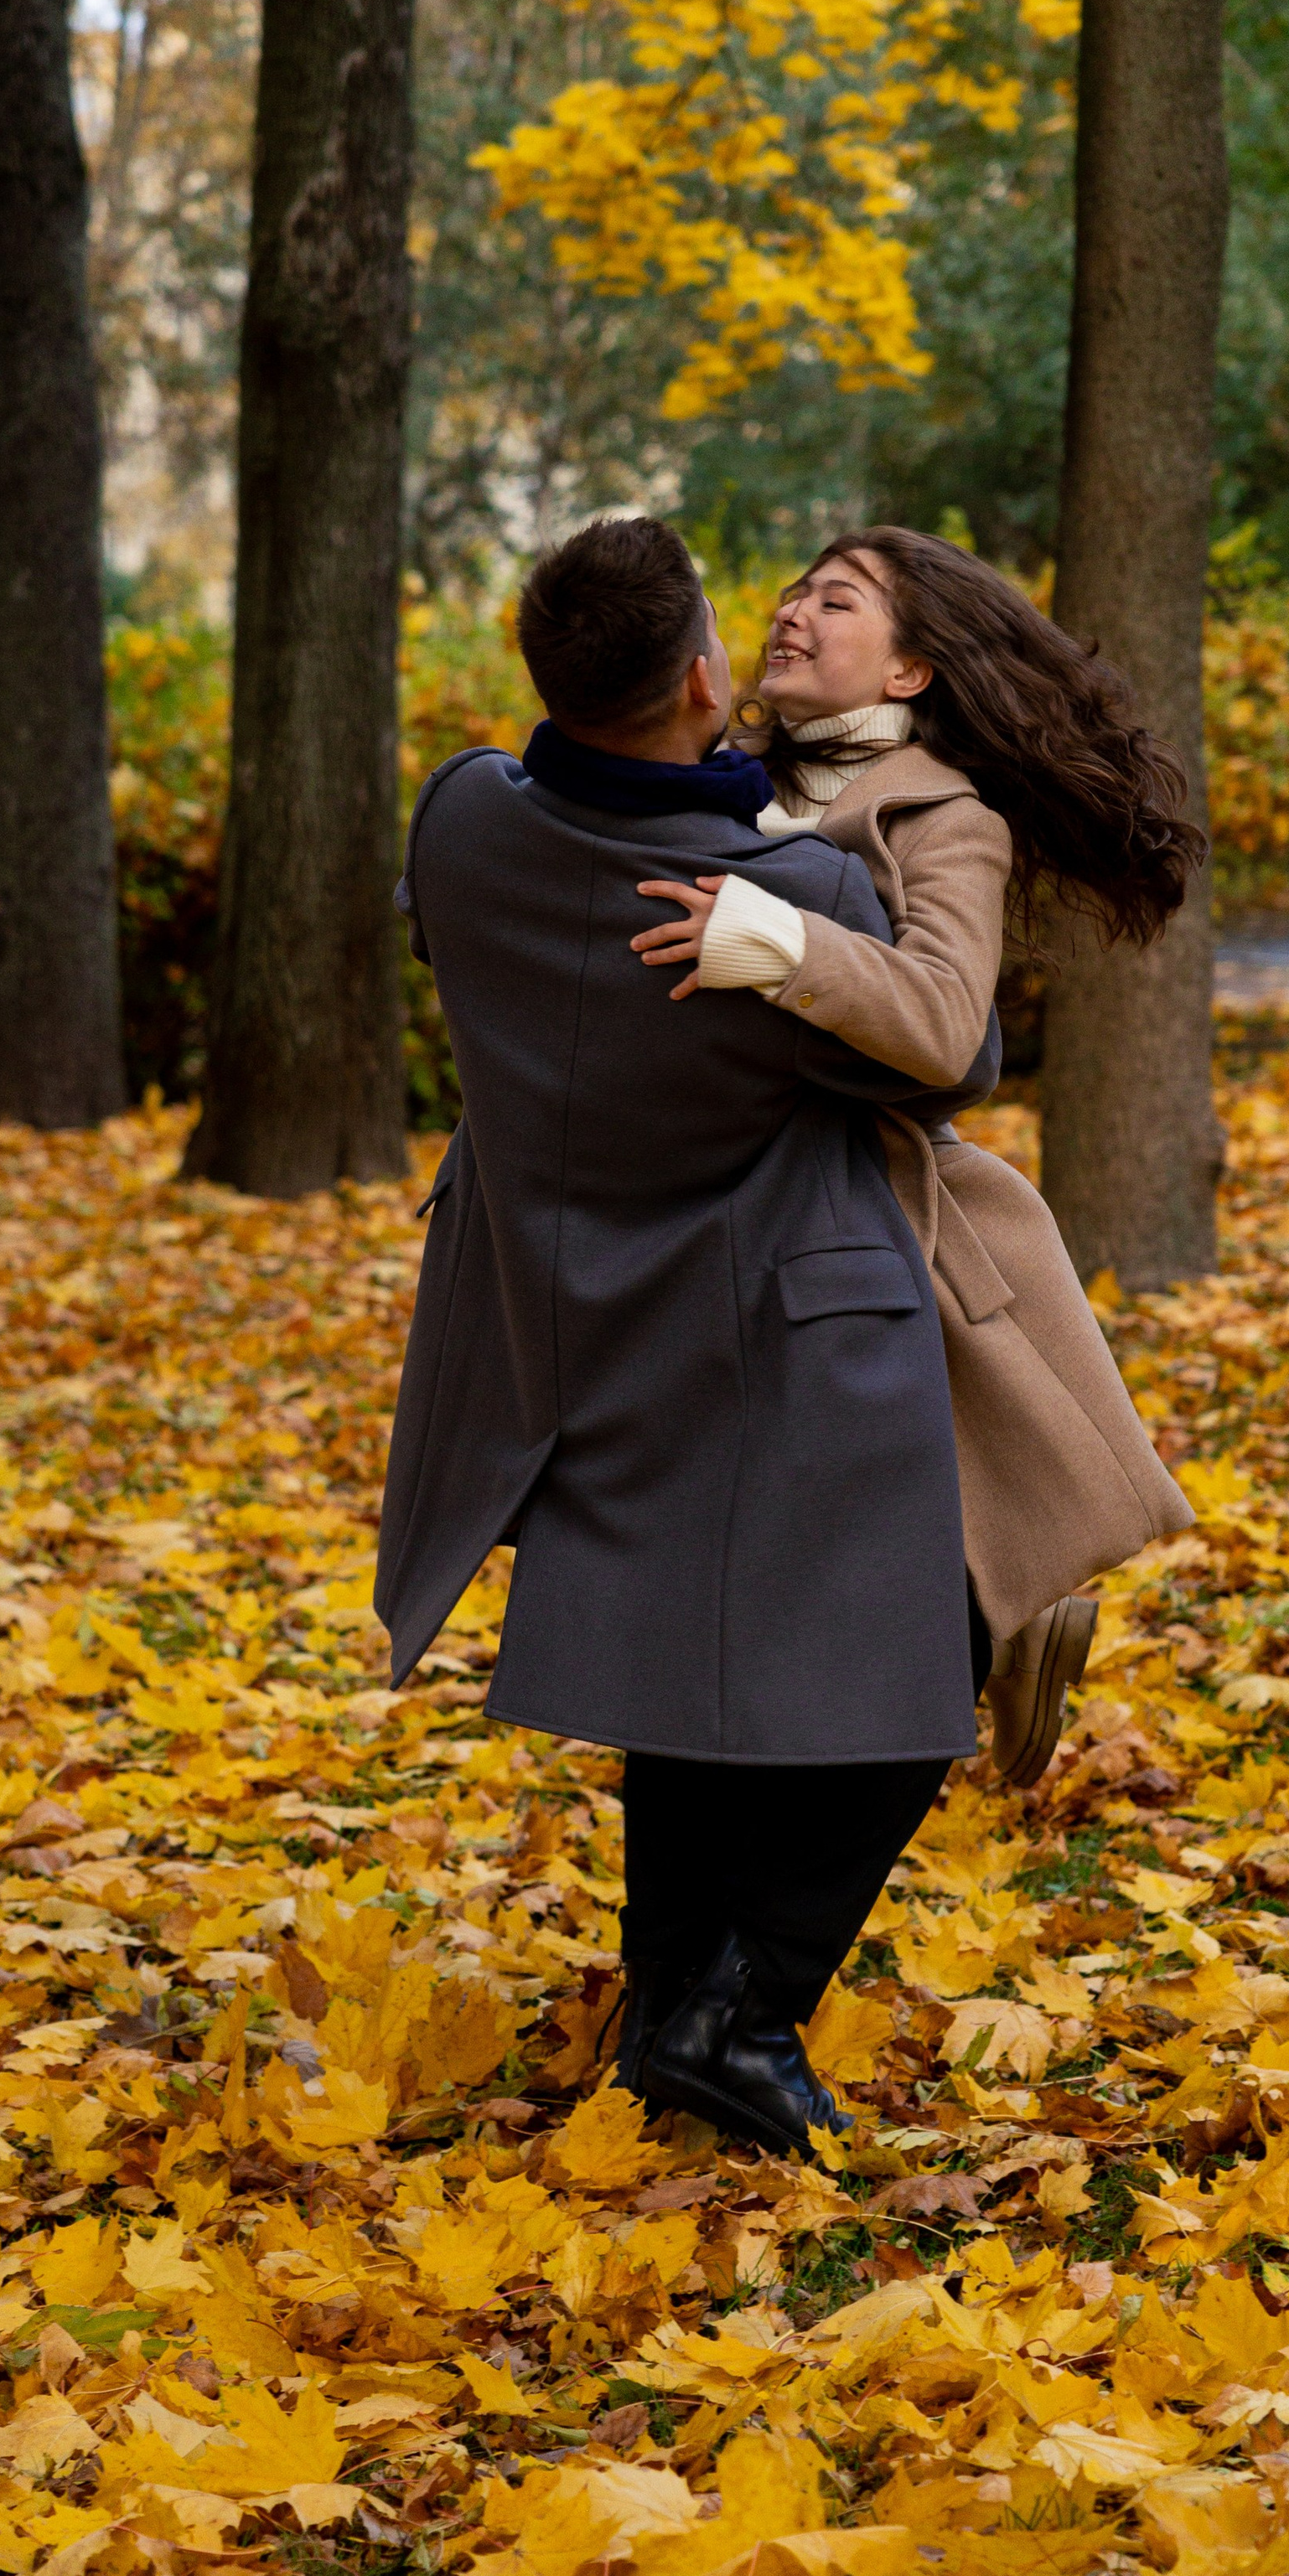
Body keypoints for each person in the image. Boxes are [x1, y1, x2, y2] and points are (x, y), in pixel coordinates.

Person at [376, 516, 999, 2160]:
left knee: (676, 1671)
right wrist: (793, 923)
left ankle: (671, 2016)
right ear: (704, 677)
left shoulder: (459, 827)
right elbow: (945, 1053)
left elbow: (481, 885)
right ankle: (744, 1996)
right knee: (938, 1641)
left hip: (569, 1325)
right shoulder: (777, 895)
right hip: (763, 1327)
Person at [630, 527, 1196, 1777]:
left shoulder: (949, 818)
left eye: (838, 603)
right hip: (710, 1205)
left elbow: (948, 1025)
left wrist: (780, 948)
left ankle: (1000, 1614)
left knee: (871, 1545)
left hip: (873, 1212)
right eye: (793, 593)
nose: (795, 613)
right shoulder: (712, 774)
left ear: (907, 675)